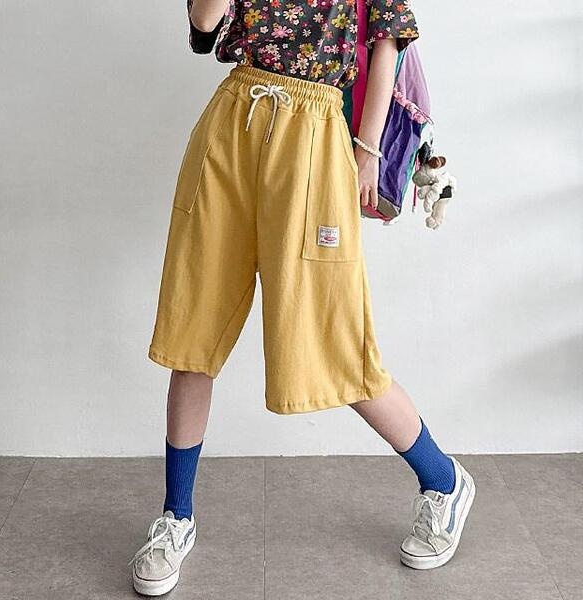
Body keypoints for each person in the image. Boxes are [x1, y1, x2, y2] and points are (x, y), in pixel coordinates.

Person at [129, 0, 476, 595]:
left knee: (334, 337)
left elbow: (388, 39)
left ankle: (443, 480)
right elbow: (205, 24)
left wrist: (367, 151)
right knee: (193, 328)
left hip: (316, 135)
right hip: (233, 123)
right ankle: (175, 519)